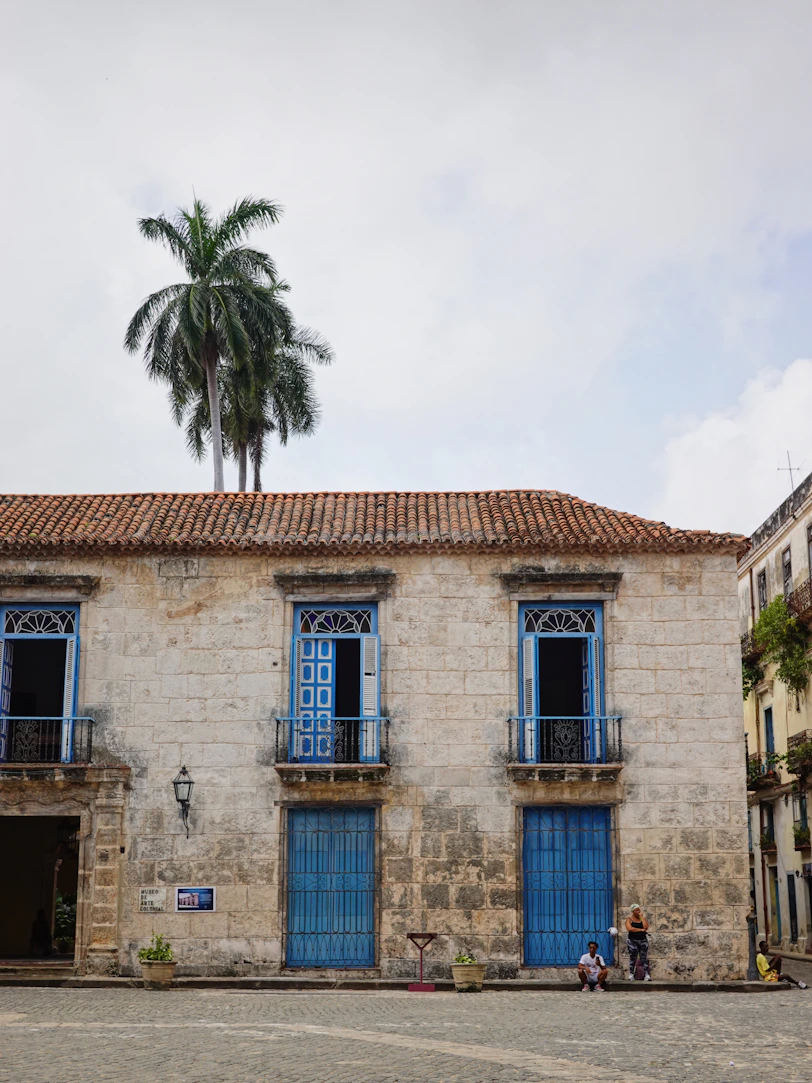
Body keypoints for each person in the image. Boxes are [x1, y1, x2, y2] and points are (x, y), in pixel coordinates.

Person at [625, 904, 651, 981]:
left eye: (639, 910)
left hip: (642, 940)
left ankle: (646, 974)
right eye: (636, 910)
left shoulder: (642, 919)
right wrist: (640, 930)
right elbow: (629, 928)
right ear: (632, 911)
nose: (638, 911)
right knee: (633, 957)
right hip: (632, 940)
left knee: (643, 957)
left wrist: (642, 917)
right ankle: (631, 973)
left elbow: (646, 927)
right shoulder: (629, 919)